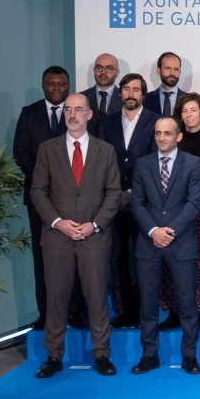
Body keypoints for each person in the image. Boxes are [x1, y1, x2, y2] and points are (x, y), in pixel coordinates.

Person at [30, 94, 121, 378]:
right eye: (68, 109)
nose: (72, 114)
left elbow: (114, 193)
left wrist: (94, 225)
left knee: (96, 298)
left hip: (94, 238)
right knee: (56, 299)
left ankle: (102, 355)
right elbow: (37, 191)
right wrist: (58, 222)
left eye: (78, 109)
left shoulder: (105, 150)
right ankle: (53, 356)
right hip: (57, 238)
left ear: (89, 115)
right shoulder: (48, 149)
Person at [130, 116, 200, 375]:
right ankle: (149, 354)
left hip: (180, 241)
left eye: (168, 133)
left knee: (187, 303)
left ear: (178, 136)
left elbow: (194, 203)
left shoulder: (193, 164)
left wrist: (169, 231)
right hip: (149, 243)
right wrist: (153, 231)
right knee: (148, 304)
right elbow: (136, 202)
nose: (162, 138)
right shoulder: (142, 164)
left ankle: (190, 356)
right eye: (158, 133)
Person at [157, 93, 200, 330]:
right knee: (171, 262)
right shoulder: (173, 141)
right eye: (185, 111)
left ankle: (197, 312)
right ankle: (174, 312)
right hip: (172, 209)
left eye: (193, 110)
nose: (189, 115)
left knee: (199, 263)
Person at [13, 66, 71, 329]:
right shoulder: (29, 113)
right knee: (42, 255)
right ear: (43, 85)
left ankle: (75, 312)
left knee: (75, 254)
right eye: (51, 83)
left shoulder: (77, 111)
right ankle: (46, 313)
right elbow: (21, 152)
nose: (57, 88)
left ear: (68, 85)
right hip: (38, 198)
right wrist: (45, 180)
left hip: (73, 197)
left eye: (61, 84)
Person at [102, 73, 160, 329]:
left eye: (136, 90)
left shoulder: (155, 121)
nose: (130, 94)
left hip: (144, 203)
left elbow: (156, 163)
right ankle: (123, 311)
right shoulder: (107, 122)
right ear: (120, 93)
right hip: (112, 202)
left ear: (143, 95)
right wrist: (117, 192)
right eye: (126, 89)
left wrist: (134, 192)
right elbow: (102, 159)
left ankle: (144, 312)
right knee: (117, 260)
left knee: (145, 261)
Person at [81, 53, 122, 135]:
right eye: (99, 67)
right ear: (94, 70)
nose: (103, 72)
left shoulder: (125, 98)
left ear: (117, 73)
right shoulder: (81, 98)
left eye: (109, 68)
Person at [143, 52, 185, 117]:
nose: (172, 73)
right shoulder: (145, 99)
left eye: (176, 69)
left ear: (180, 72)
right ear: (158, 71)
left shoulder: (188, 99)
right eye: (168, 68)